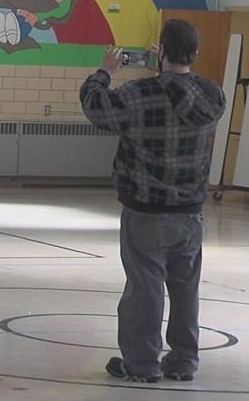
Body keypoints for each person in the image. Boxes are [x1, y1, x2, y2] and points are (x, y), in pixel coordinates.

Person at [79, 19, 226, 383]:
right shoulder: (212, 95)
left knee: (144, 291)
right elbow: (181, 92)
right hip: (190, 214)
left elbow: (97, 109)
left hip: (145, 210)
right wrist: (168, 76)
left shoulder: (139, 93)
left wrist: (103, 72)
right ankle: (182, 362)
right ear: (195, 52)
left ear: (159, 51)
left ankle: (142, 365)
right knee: (186, 290)